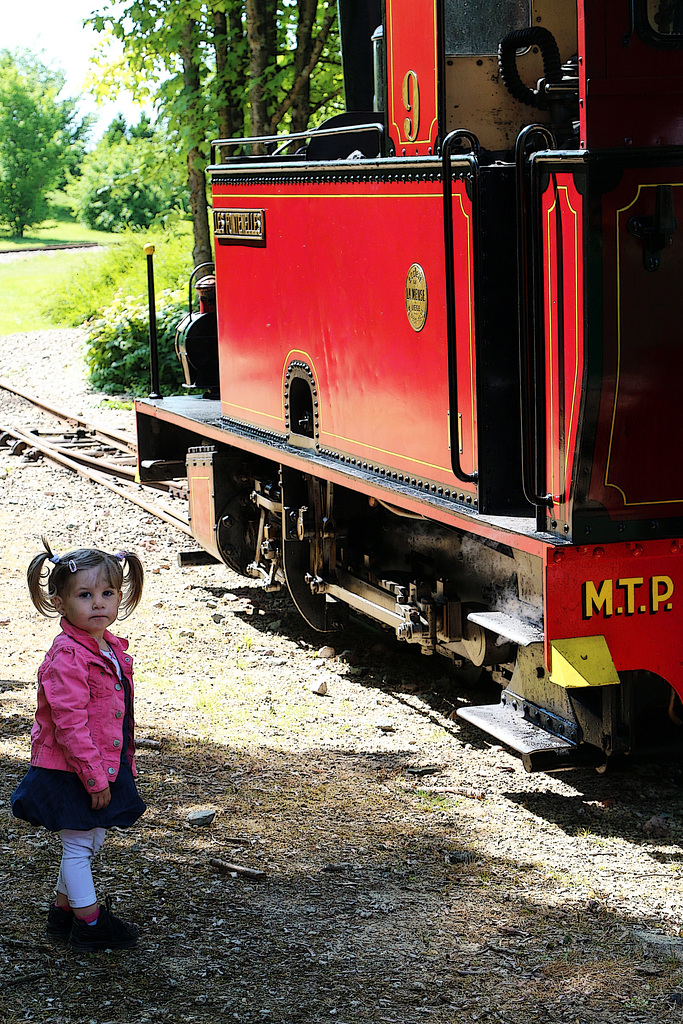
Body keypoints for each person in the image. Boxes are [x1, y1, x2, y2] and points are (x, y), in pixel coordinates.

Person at [11, 538, 146, 951]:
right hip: (71, 768)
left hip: (97, 763)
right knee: (78, 842)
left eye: (107, 593)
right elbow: (70, 724)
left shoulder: (107, 646)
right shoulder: (68, 656)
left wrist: (119, 766)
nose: (99, 603)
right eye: (85, 595)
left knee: (89, 838)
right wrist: (94, 778)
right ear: (60, 602)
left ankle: (62, 913)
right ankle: (90, 924)